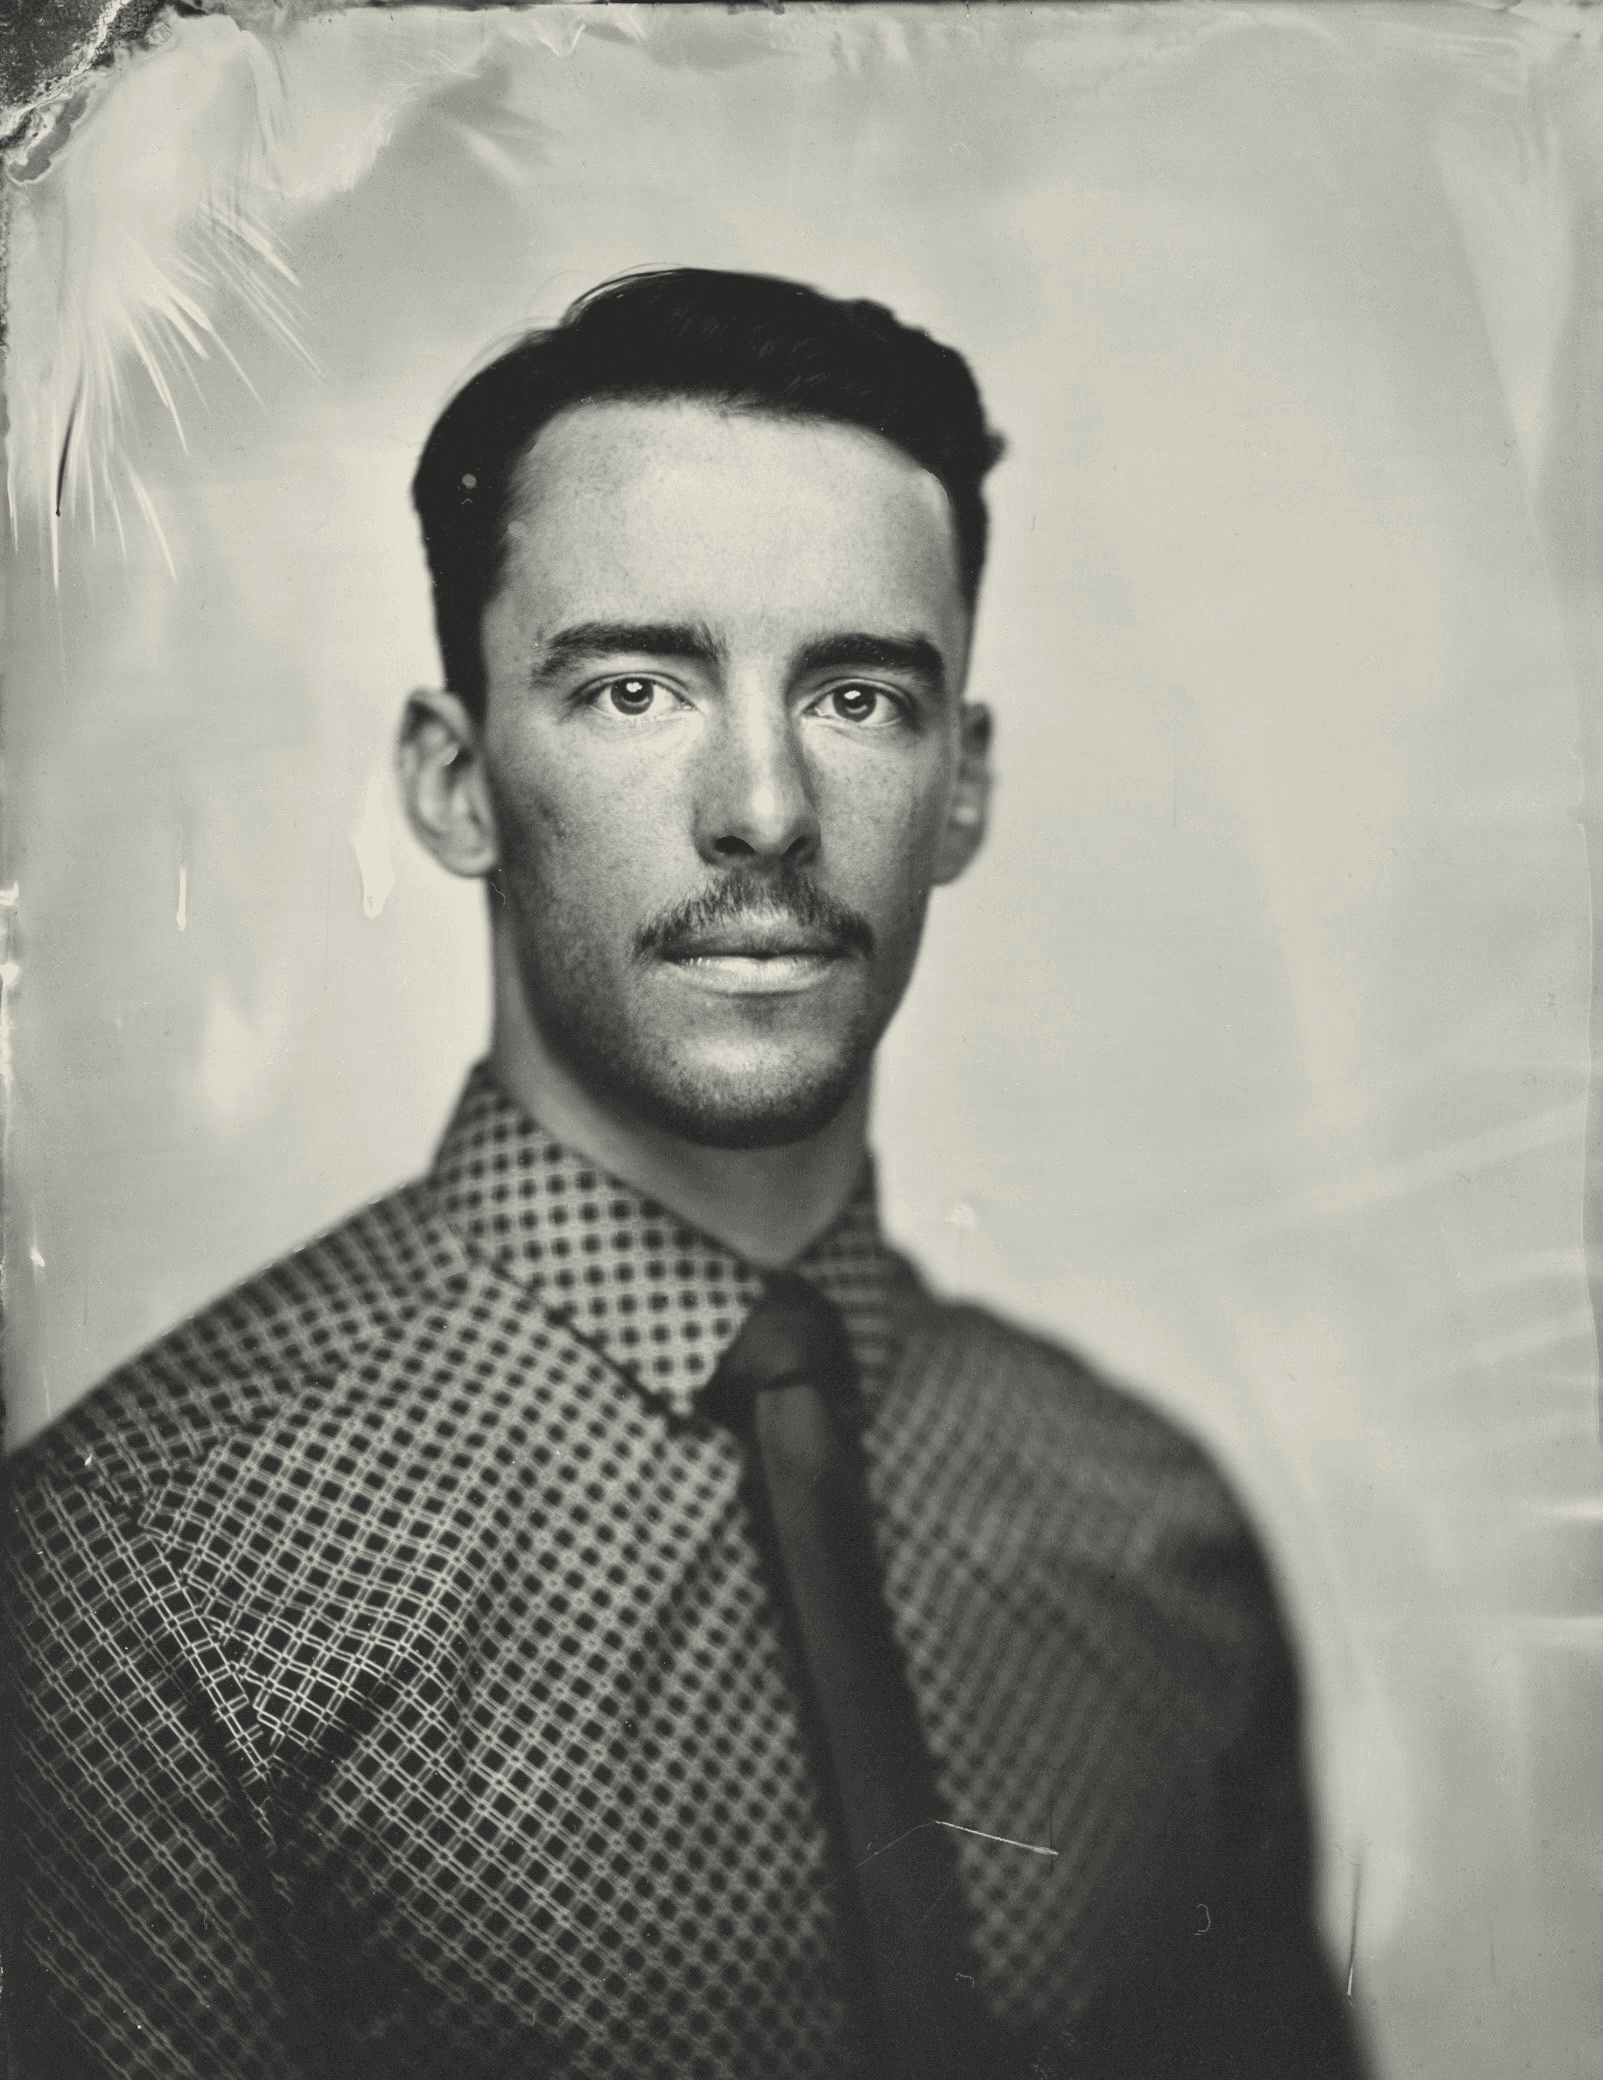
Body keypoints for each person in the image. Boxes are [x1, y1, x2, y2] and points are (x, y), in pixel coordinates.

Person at [4, 269, 1366, 2080]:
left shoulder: (1146, 1530)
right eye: (635, 688)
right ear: (453, 780)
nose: (767, 809)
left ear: (961, 787)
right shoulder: (140, 1585)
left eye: (858, 697)